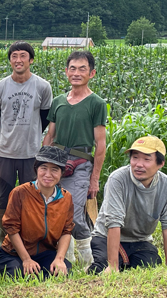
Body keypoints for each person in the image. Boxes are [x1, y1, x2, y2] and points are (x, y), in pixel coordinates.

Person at [42, 50, 107, 266]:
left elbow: (100, 144)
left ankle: (89, 263)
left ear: (92, 73)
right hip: (57, 163)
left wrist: (94, 179)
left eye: (82, 69)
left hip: (80, 164)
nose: (76, 73)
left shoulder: (96, 103)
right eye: (72, 68)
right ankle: (66, 261)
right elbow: (50, 136)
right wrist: (43, 165)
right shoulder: (59, 101)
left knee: (75, 212)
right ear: (66, 72)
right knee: (56, 210)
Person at [0, 41, 53, 244]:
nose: (18, 60)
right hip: (5, 153)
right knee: (4, 199)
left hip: (31, 154)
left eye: (23, 55)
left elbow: (44, 118)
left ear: (31, 60)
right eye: (14, 56)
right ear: (10, 60)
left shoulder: (43, 86)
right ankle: (4, 240)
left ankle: (28, 239)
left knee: (31, 198)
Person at [87, 136, 167, 274]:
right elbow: (114, 222)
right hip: (106, 237)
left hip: (139, 241)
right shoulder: (117, 179)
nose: (139, 164)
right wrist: (113, 266)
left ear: (160, 164)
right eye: (135, 157)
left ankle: (124, 264)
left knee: (149, 268)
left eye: (146, 159)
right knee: (100, 269)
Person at [0, 146, 74, 279]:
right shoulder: (20, 193)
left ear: (61, 173)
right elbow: (11, 228)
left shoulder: (66, 198)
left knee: (62, 274)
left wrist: (59, 259)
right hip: (14, 253)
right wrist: (26, 259)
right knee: (21, 276)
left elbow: (67, 230)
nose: (48, 174)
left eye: (54, 169)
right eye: (43, 168)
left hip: (46, 252)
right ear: (36, 169)